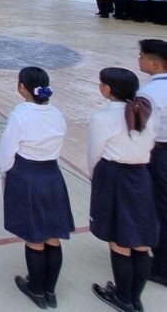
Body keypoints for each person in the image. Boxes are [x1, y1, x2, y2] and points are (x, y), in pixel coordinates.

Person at [0, 67, 74, 309]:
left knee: (34, 236)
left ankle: (36, 290)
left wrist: (5, 172)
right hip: (52, 174)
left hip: (26, 174)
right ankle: (50, 290)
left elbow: (7, 152)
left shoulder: (20, 115)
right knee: (52, 235)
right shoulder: (57, 114)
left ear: (22, 87)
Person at [88, 68, 159, 312]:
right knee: (140, 242)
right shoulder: (147, 113)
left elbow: (95, 155)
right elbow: (150, 145)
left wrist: (96, 178)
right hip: (140, 176)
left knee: (119, 240)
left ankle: (121, 297)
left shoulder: (102, 118)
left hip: (114, 176)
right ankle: (135, 299)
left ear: (107, 89)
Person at [136, 39, 167, 289]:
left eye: (142, 56)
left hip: (158, 153)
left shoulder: (148, 93)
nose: (139, 60)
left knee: (159, 208)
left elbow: (140, 129)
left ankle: (162, 267)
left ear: (154, 63)